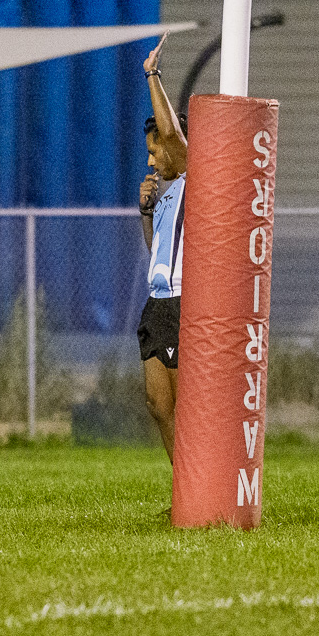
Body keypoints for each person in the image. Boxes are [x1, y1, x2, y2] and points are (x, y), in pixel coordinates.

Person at [137, 36, 189, 461]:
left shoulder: (196, 178)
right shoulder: (167, 192)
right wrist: (146, 213)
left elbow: (170, 132)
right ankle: (183, 491)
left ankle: (199, 493)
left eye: (155, 152)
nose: (152, 161)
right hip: (156, 304)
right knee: (158, 406)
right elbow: (156, 249)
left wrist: (152, 74)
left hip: (181, 304)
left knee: (185, 407)